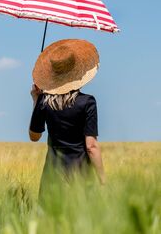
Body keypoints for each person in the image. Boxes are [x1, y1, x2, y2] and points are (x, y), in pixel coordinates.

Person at [28, 39, 106, 204]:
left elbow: (34, 136)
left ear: (52, 74)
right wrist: (103, 180)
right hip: (81, 176)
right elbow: (91, 146)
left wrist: (36, 100)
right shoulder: (87, 102)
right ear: (77, 72)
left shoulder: (44, 102)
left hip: (52, 177)